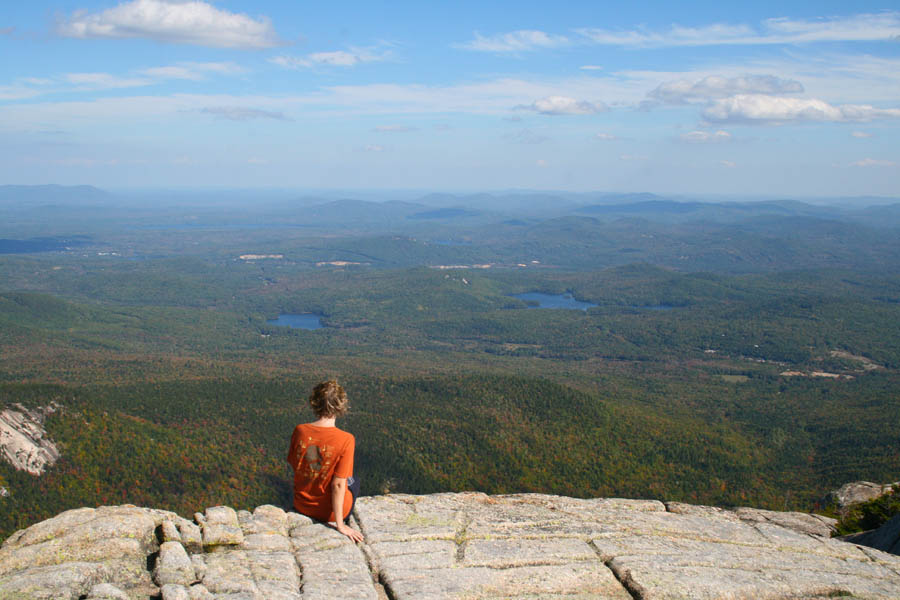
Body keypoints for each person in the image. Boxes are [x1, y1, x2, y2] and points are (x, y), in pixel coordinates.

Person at [287, 380, 364, 543]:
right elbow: (338, 485)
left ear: (315, 403)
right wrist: (339, 524)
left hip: (302, 505)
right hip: (330, 513)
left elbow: (296, 464)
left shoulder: (300, 431)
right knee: (353, 480)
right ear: (341, 406)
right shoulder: (346, 439)